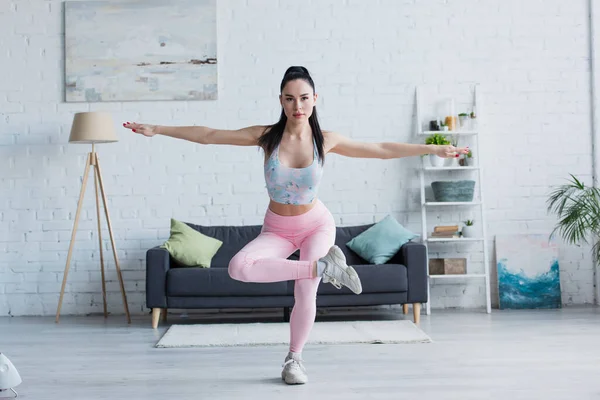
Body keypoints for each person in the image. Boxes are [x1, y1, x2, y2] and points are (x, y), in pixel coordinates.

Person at [123, 66, 468, 385]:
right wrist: (158, 129)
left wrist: (430, 147)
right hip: (277, 228)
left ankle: (294, 359)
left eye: (304, 98)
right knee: (239, 267)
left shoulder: (325, 140)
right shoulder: (267, 137)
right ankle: (324, 267)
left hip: (316, 224)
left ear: (314, 100)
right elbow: (209, 134)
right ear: (281, 101)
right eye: (290, 99)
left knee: (305, 291)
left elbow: (378, 148)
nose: (297, 106)